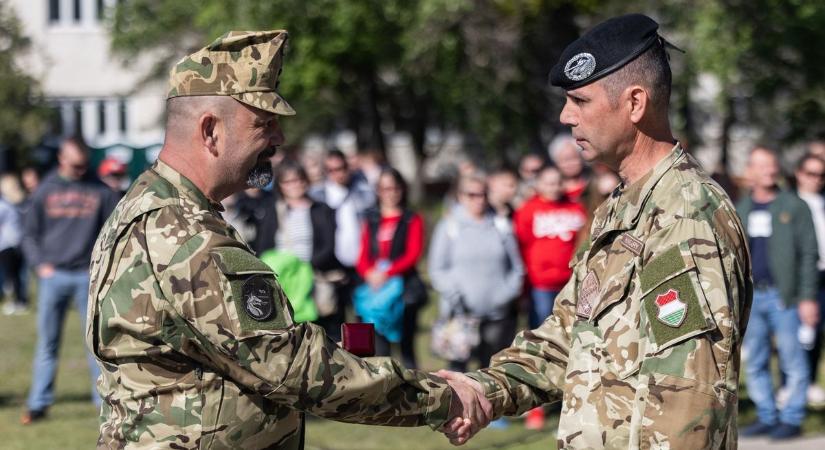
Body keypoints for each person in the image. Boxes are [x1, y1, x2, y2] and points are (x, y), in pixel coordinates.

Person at [85, 30, 490, 449]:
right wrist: (441, 398)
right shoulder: (186, 233)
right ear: (210, 130)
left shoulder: (147, 205)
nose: (278, 139)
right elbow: (292, 368)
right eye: (264, 124)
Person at [437, 14, 752, 448]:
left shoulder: (685, 214)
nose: (566, 116)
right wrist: (482, 390)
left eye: (580, 101)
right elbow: (568, 339)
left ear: (635, 103)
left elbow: (686, 402)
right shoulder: (619, 208)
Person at [21, 135, 119, 424]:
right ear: (61, 159)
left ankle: (104, 403)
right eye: (76, 165)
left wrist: (100, 268)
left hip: (86, 276)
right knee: (47, 343)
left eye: (84, 165)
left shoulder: (100, 190)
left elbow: (113, 231)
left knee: (95, 344)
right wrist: (40, 266)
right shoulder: (45, 190)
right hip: (53, 275)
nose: (81, 170)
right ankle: (38, 403)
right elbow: (29, 233)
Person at [737, 147, 819, 439]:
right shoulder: (741, 208)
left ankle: (792, 417)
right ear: (750, 170)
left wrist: (807, 297)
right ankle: (766, 415)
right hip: (753, 297)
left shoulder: (794, 206)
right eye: (762, 165)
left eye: (772, 164)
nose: (769, 170)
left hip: (784, 296)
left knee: (792, 359)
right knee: (756, 360)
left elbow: (809, 254)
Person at [428, 173, 524, 372]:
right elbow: (437, 269)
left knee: (491, 372)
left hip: (496, 314)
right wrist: (454, 294)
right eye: (472, 195)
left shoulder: (500, 225)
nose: (479, 200)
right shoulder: (449, 226)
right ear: (461, 196)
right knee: (456, 374)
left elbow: (517, 267)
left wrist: (506, 293)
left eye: (483, 194)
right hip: (459, 315)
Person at [355, 168, 427, 368]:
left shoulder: (412, 219)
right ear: (378, 191)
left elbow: (413, 254)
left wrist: (387, 273)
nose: (391, 193)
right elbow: (362, 254)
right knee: (378, 352)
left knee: (407, 350)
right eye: (386, 189)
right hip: (373, 292)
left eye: (395, 188)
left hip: (403, 291)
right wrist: (369, 273)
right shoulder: (371, 219)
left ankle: (412, 386)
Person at [309, 149, 375, 341]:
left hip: (360, 263)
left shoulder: (363, 192)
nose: (337, 174)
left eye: (341, 168)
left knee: (361, 316)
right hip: (331, 264)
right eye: (331, 170)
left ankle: (362, 354)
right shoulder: (317, 195)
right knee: (334, 317)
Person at [272, 160, 342, 329]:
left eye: (298, 179)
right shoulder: (273, 211)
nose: (294, 185)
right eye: (288, 181)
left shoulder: (322, 209)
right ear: (280, 185)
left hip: (315, 278)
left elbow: (329, 245)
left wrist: (305, 268)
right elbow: (265, 247)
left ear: (305, 180)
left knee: (322, 331)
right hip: (284, 282)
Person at [514, 165, 586, 329]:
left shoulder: (575, 207)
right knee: (542, 329)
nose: (554, 188)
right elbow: (522, 244)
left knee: (570, 329)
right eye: (549, 183)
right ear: (538, 184)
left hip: (571, 281)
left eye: (558, 183)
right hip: (541, 283)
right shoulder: (528, 209)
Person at [795, 153, 825, 406]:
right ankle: (791, 384)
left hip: (822, 274)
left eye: (821, 175)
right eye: (811, 173)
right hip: (800, 275)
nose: (816, 179)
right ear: (799, 174)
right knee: (795, 332)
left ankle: (811, 380)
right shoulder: (790, 204)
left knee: (816, 331)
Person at [0, 173, 27, 315]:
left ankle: (16, 302)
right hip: (18, 243)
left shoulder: (4, 205)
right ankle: (20, 301)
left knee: (10, 276)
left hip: (7, 245)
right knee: (17, 276)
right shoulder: (18, 203)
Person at [548, 133, 589, 202]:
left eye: (574, 158)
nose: (570, 164)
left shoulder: (592, 185)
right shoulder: (549, 192)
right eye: (565, 160)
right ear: (556, 162)